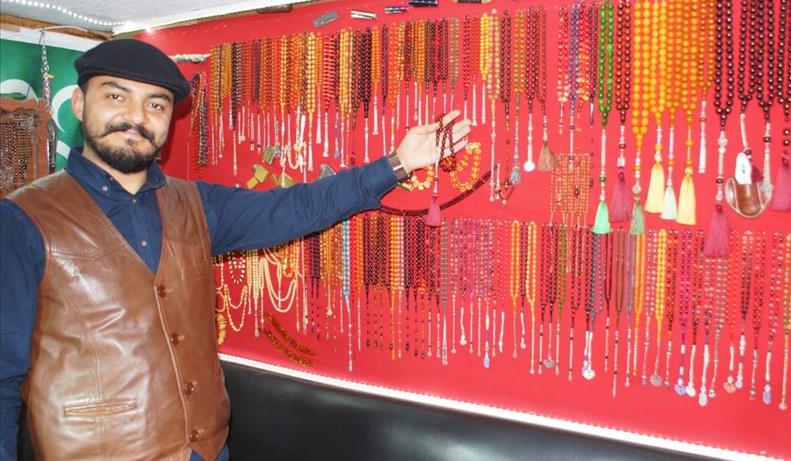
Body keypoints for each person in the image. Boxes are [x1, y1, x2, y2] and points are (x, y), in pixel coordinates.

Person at [0, 39, 470, 461]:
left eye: (156, 104)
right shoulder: (23, 219)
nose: (137, 117)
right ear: (80, 103)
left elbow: (296, 208)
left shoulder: (195, 204)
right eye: (116, 96)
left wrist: (399, 163)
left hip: (207, 450)